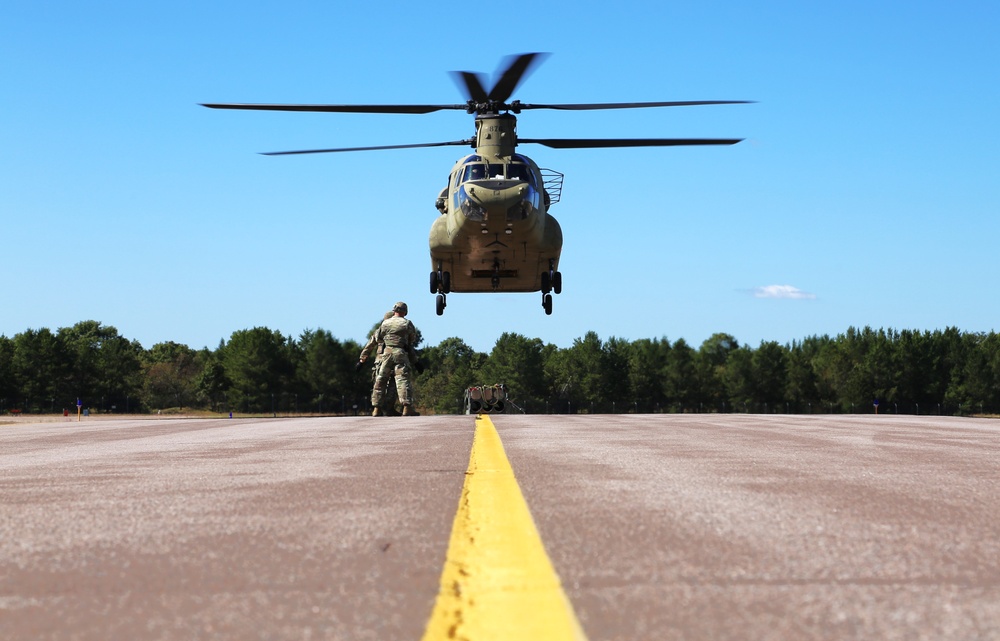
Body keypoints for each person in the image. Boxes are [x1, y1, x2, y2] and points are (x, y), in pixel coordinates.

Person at [370, 301, 421, 416]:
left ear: (394, 310)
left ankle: (376, 409)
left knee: (381, 380)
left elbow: (378, 337)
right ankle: (407, 408)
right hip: (400, 353)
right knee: (402, 380)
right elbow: (411, 340)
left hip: (386, 354)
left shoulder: (385, 323)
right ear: (405, 312)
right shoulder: (407, 323)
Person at [357, 311, 399, 414]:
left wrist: (362, 360)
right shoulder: (398, 332)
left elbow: (369, 345)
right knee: (393, 385)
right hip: (393, 360)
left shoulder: (379, 331)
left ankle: (377, 409)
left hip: (380, 361)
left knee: (379, 385)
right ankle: (389, 408)